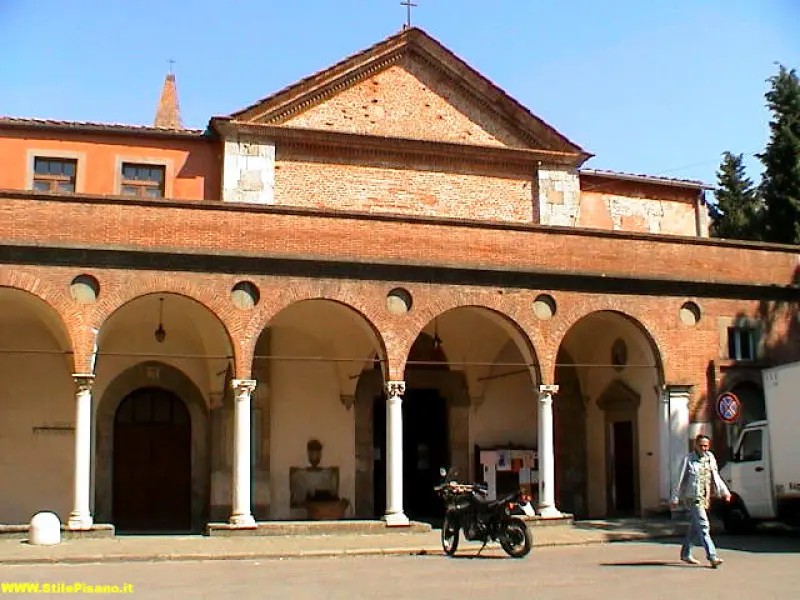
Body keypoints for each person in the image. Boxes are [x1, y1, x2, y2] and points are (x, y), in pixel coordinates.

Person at [670, 434, 731, 568]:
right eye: (701, 445)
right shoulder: (688, 459)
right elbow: (679, 480)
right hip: (693, 497)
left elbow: (716, 476)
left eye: (706, 446)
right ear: (695, 445)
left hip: (705, 497)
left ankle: (685, 553)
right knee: (704, 525)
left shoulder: (710, 458)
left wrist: (725, 492)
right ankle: (712, 556)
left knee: (695, 527)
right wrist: (674, 497)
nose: (704, 448)